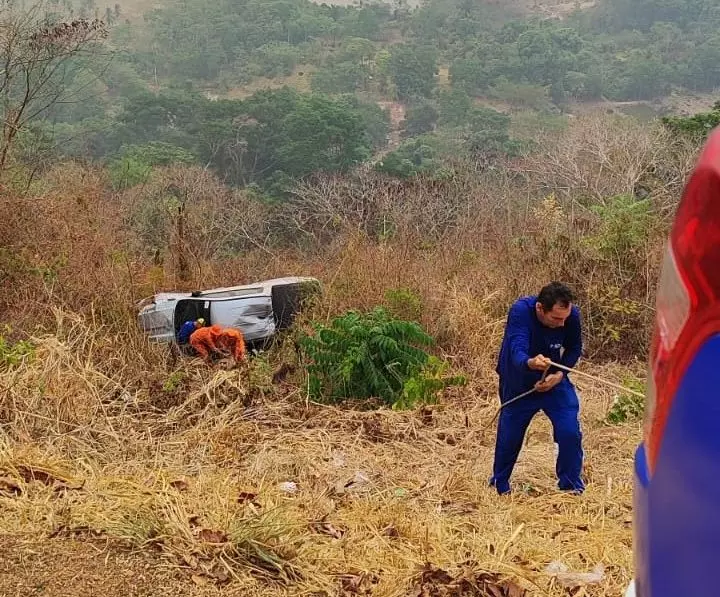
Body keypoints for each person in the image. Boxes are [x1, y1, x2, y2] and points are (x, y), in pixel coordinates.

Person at [489, 282, 584, 495]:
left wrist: (559, 375)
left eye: (565, 319)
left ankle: (570, 487)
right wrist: (531, 363)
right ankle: (499, 486)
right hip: (518, 381)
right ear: (540, 308)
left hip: (554, 381)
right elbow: (516, 349)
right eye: (556, 319)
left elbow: (575, 348)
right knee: (509, 437)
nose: (562, 324)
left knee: (570, 432)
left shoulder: (570, 315)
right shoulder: (521, 311)